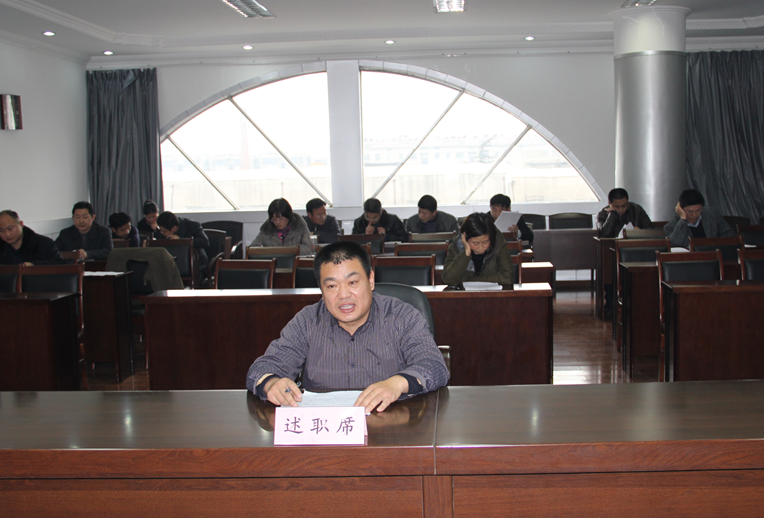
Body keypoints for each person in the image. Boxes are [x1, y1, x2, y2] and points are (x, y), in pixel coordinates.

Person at [246, 241, 448, 412]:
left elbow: (434, 365)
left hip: (390, 425)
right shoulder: (307, 321)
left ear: (370, 280)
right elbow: (262, 368)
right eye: (331, 286)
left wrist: (397, 383)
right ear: (321, 289)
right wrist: (272, 383)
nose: (343, 295)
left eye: (352, 282)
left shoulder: (402, 316)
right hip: (324, 430)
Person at [442, 212, 514, 289]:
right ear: (465, 239)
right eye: (475, 243)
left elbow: (507, 278)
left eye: (485, 242)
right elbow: (447, 279)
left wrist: (470, 278)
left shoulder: (499, 243)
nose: (481, 247)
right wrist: (465, 254)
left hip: (494, 293)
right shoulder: (456, 246)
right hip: (464, 294)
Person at [664, 189, 735, 248]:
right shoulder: (672, 226)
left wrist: (714, 244)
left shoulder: (712, 214)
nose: (694, 214)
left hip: (714, 255)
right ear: (681, 209)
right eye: (690, 211)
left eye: (698, 210)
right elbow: (675, 244)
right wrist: (683, 219)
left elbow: (729, 233)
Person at [0, 210, 66, 265]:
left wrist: (34, 265)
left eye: (10, 229)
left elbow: (61, 265)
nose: (7, 234)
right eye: (1, 231)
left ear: (21, 224)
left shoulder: (44, 243)